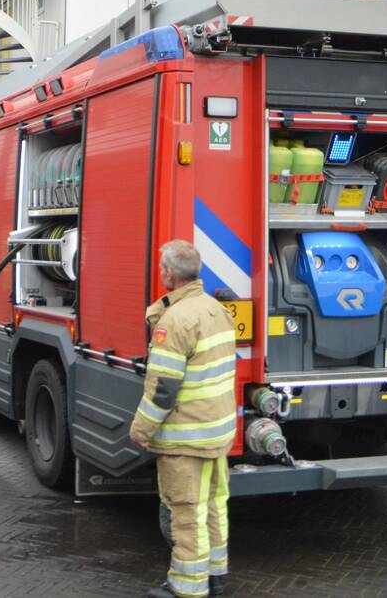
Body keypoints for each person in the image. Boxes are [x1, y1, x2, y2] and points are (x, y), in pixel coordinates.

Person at [130, 240, 236, 598]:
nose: (161, 273)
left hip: (185, 438)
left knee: (186, 514)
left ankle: (186, 588)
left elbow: (163, 389)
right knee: (213, 505)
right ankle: (215, 575)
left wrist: (141, 430)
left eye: (163, 268)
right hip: (216, 432)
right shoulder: (216, 309)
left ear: (170, 275)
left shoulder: (175, 321)